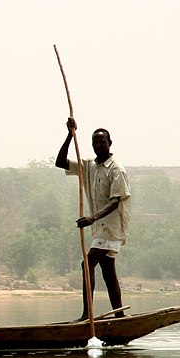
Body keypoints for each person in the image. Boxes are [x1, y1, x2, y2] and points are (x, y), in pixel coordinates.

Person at [55, 118, 130, 319]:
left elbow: (115, 201)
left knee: (86, 264)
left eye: (102, 142)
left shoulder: (116, 170)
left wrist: (91, 218)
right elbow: (60, 162)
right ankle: (120, 318)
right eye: (95, 143)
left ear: (110, 143)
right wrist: (70, 135)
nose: (98, 146)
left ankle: (87, 315)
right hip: (99, 229)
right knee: (108, 273)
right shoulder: (89, 166)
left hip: (111, 228)